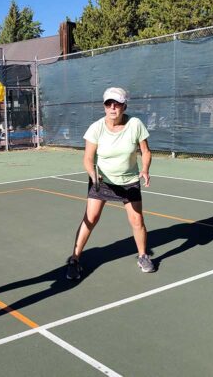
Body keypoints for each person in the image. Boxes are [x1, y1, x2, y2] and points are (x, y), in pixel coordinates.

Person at [66, 87, 154, 280]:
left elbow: (145, 151)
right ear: (104, 106)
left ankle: (143, 256)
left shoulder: (135, 124)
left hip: (128, 181)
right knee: (91, 219)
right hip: (102, 181)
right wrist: (92, 174)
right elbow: (88, 158)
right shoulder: (96, 128)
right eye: (109, 104)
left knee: (137, 220)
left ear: (124, 106)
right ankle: (74, 259)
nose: (113, 108)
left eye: (117, 104)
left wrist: (145, 169)